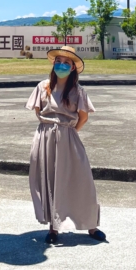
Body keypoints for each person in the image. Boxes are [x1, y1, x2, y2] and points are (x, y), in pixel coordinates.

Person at [26, 45, 105, 245]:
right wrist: (50, 129)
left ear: (73, 68)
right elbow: (38, 111)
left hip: (68, 137)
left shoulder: (78, 91)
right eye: (58, 61)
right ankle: (53, 227)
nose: (61, 65)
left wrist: (69, 131)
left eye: (66, 63)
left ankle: (91, 225)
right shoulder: (43, 86)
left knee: (81, 180)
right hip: (45, 137)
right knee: (49, 180)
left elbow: (84, 117)